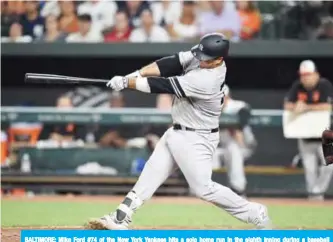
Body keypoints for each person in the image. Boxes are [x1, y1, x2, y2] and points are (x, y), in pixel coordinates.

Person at [87, 33, 271, 230]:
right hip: (177, 130)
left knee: (203, 189)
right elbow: (170, 64)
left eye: (206, 59)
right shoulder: (202, 55)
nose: (200, 60)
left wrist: (127, 83)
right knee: (151, 172)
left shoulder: (208, 79)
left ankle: (254, 212)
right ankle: (121, 216)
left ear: (219, 60)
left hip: (197, 137)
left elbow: (163, 85)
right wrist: (135, 75)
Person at [284, 60, 333, 200]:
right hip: (305, 135)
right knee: (309, 169)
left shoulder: (324, 85)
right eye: (303, 75)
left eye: (308, 75)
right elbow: (287, 104)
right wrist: (295, 106)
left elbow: (328, 106)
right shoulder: (297, 86)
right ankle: (314, 198)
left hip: (325, 135)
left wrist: (306, 107)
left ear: (316, 74)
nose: (305, 78)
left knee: (330, 165)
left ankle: (317, 190)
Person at [214, 85, 257, 197]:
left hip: (245, 145)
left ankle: (239, 190)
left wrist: (236, 126)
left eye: (222, 97)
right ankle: (197, 193)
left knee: (233, 150)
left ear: (227, 97)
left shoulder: (237, 106)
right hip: (222, 147)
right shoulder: (210, 110)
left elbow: (245, 112)